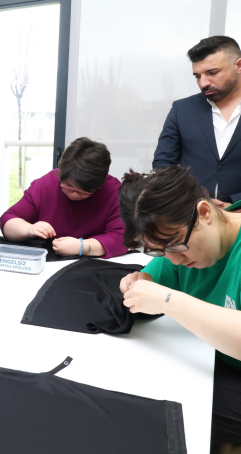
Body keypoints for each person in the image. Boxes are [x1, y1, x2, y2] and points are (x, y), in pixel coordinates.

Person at [118, 165, 241, 454]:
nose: (173, 260)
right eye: (160, 251)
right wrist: (137, 287)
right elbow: (153, 282)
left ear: (205, 213)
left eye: (175, 247)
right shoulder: (180, 239)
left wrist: (168, 300)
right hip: (213, 361)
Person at [0, 137, 127, 258]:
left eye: (83, 192)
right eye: (68, 187)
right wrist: (29, 229)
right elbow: (8, 220)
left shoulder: (114, 192)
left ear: (100, 185)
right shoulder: (47, 183)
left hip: (92, 263)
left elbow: (122, 238)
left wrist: (81, 247)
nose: (74, 194)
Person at [154, 36, 241, 206]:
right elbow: (163, 164)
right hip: (191, 212)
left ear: (238, 66)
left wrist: (235, 202)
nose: (203, 83)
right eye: (197, 76)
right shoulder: (182, 109)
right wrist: (189, 199)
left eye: (212, 73)